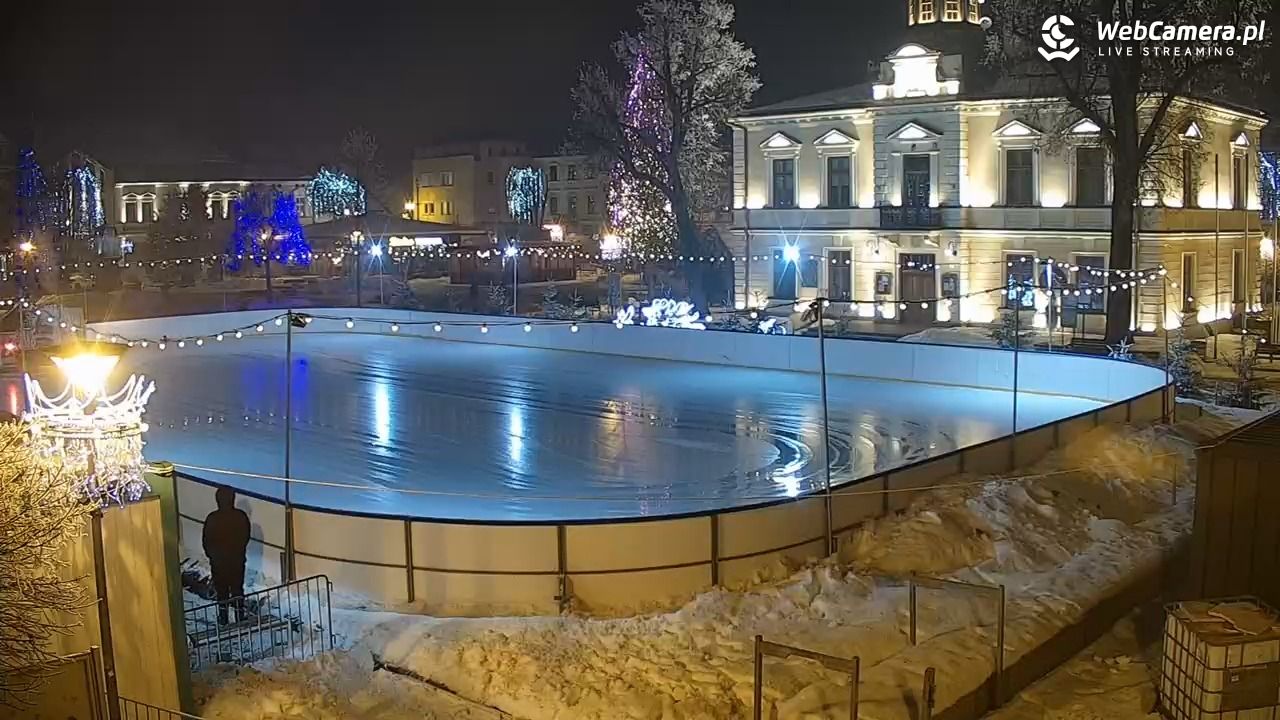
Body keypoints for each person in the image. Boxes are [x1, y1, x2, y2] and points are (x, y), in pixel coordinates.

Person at [202, 486, 251, 624]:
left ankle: (223, 618)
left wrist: (213, 556)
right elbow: (245, 537)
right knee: (237, 589)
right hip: (236, 560)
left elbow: (206, 541)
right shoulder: (240, 517)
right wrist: (238, 552)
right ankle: (239, 616)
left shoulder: (212, 518)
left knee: (221, 590)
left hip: (218, 562)